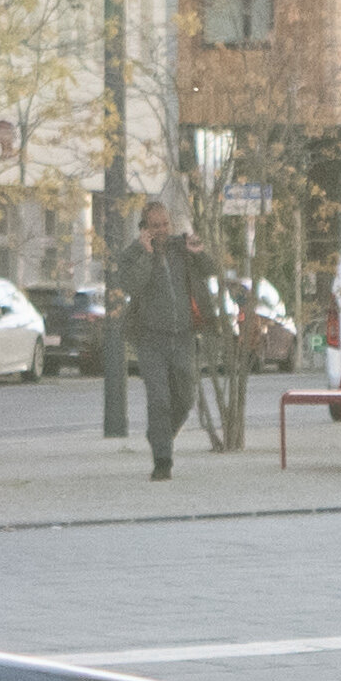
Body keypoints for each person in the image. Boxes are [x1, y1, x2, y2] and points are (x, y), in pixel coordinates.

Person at [118, 190, 215, 478]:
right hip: (151, 338)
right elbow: (132, 285)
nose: (162, 230)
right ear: (144, 228)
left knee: (185, 398)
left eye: (165, 224)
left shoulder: (181, 249)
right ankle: (163, 461)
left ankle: (160, 435)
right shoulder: (132, 254)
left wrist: (199, 252)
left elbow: (210, 269)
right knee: (159, 399)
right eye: (155, 226)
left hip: (183, 336)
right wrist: (147, 255)